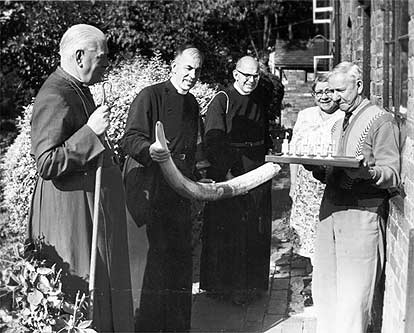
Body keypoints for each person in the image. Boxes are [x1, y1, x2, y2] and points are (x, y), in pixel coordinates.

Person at [28, 24, 134, 332]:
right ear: (79, 56)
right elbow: (46, 162)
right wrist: (91, 132)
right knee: (81, 294)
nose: (106, 64)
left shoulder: (77, 87)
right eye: (101, 57)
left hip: (88, 208)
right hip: (71, 216)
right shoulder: (55, 95)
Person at [310, 62, 400, 333]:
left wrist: (368, 173)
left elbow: (392, 174)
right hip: (332, 210)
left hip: (361, 215)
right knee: (326, 288)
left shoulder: (380, 120)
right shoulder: (340, 122)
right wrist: (318, 169)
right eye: (331, 91)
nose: (335, 97)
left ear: (359, 86)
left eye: (340, 90)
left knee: (353, 297)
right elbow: (339, 168)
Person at [121, 45, 203, 332]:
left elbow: (193, 150)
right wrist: (150, 149)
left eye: (197, 70)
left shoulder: (192, 104)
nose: (192, 75)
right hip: (150, 190)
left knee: (179, 263)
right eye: (187, 68)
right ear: (173, 66)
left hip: (180, 192)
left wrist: (200, 178)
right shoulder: (150, 95)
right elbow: (129, 139)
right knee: (152, 267)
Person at [199, 56, 273, 305]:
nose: (251, 80)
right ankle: (226, 288)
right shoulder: (222, 100)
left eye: (255, 76)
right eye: (246, 75)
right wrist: (228, 171)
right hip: (230, 169)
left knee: (256, 224)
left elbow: (264, 133)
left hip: (257, 166)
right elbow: (213, 140)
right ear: (235, 74)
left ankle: (252, 286)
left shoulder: (260, 98)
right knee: (231, 228)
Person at [289, 74, 343, 262]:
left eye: (328, 91)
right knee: (308, 235)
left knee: (328, 233)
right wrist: (293, 184)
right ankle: (313, 278)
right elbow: (294, 153)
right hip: (306, 187)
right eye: (319, 92)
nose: (324, 96)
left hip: (331, 184)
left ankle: (325, 281)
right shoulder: (305, 115)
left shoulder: (343, 116)